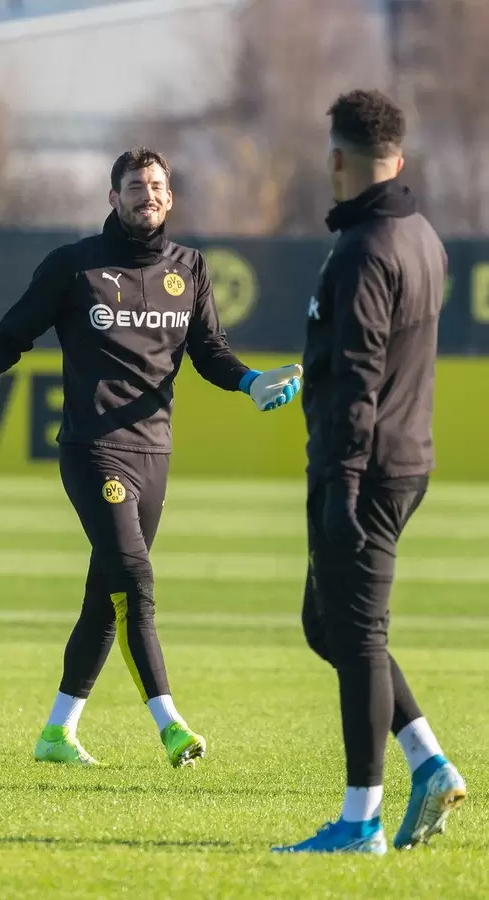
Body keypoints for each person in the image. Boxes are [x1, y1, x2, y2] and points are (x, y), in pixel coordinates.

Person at [0, 147, 302, 769]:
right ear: (113, 197)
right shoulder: (74, 267)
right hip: (93, 450)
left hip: (154, 454)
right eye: (133, 186)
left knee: (107, 591)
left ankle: (56, 734)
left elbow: (209, 352)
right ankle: (170, 724)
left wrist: (251, 383)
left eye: (156, 186)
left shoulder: (190, 268)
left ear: (169, 199)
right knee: (137, 581)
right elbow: (11, 336)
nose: (146, 195)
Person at [272, 91, 465, 854]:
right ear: (400, 157)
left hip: (367, 469)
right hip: (403, 459)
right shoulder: (421, 236)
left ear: (338, 159)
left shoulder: (365, 250)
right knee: (328, 624)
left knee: (355, 635)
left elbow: (357, 379)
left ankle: (361, 821)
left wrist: (342, 485)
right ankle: (428, 761)